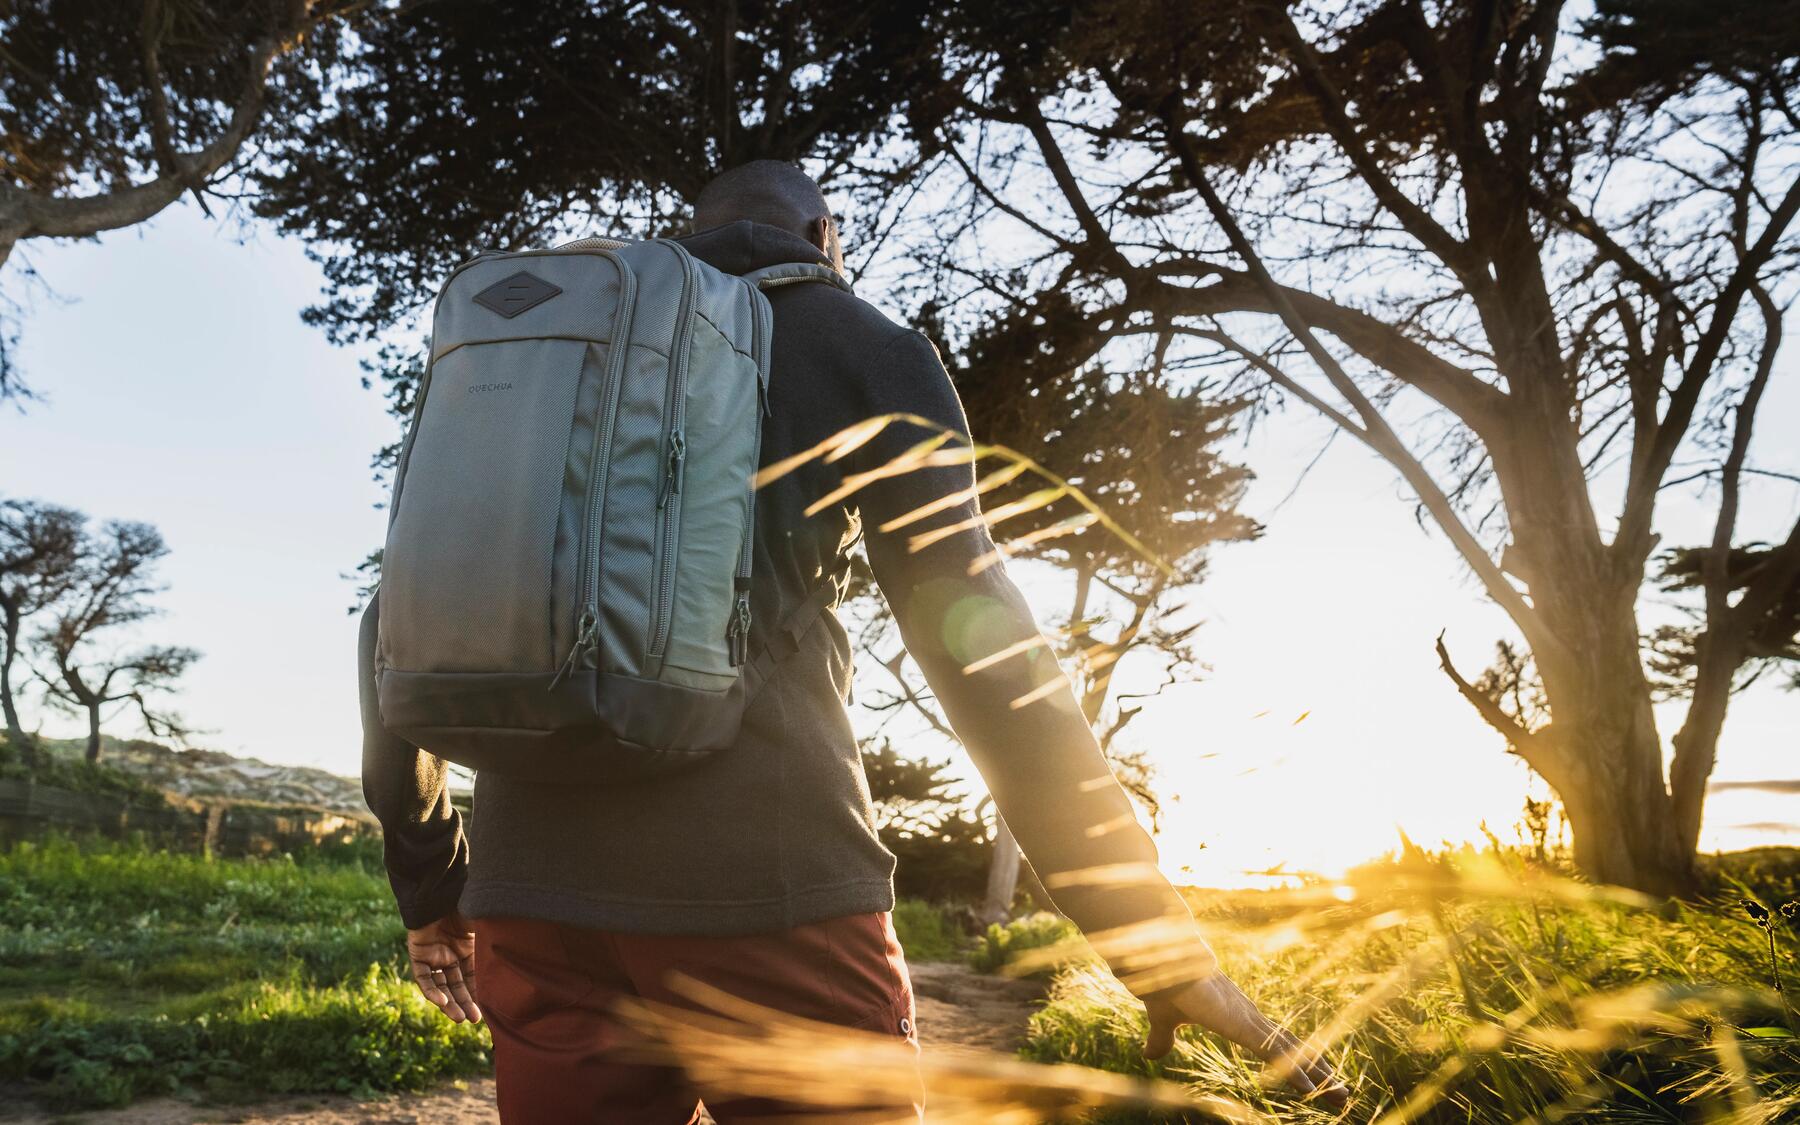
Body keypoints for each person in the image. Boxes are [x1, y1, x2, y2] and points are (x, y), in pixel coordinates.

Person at [361, 160, 1345, 1122]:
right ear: (826, 241)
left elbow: (399, 613)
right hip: (774, 893)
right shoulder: (858, 340)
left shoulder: (561, 350)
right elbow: (981, 647)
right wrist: (1149, 939)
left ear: (690, 232)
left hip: (534, 899)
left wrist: (429, 877)